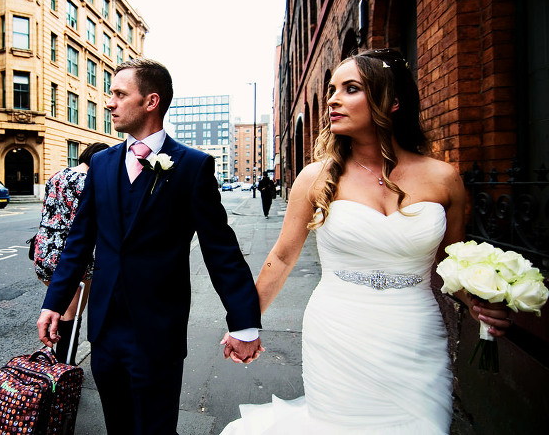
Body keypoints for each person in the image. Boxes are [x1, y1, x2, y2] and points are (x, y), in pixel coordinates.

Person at [220, 49, 511, 434]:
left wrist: (478, 302)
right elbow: (283, 257)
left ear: (391, 102)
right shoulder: (315, 178)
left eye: (350, 88)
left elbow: (450, 269)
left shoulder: (444, 179)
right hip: (338, 330)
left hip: (417, 336)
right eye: (332, 89)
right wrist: (245, 325)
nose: (333, 99)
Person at [37, 58, 263, 435]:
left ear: (151, 101)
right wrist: (54, 304)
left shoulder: (192, 166)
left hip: (158, 331)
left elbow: (220, 251)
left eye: (119, 94)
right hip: (105, 331)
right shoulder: (103, 165)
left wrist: (244, 323)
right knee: (118, 428)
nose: (109, 102)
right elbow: (79, 241)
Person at [33, 141, 109, 364]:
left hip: (43, 248)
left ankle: (62, 362)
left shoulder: (57, 175)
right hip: (69, 253)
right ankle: (64, 368)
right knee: (70, 316)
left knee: (59, 306)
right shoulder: (87, 181)